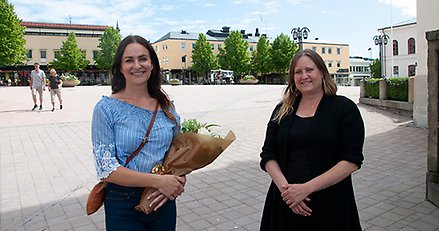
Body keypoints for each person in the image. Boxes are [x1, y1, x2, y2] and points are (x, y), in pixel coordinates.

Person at [259, 49, 365, 231]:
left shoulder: (344, 109)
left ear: (322, 72)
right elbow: (268, 155)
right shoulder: (282, 110)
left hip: (331, 204)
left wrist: (306, 189)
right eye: (297, 72)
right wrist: (288, 192)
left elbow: (351, 161)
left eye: (310, 70)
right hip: (285, 203)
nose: (304, 76)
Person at [91, 35, 186, 231]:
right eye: (129, 60)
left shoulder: (166, 106)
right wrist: (159, 181)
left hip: (162, 199)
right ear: (120, 68)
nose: (137, 65)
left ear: (152, 64)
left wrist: (179, 178)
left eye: (143, 58)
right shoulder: (106, 109)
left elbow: (180, 152)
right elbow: (106, 168)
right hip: (122, 202)